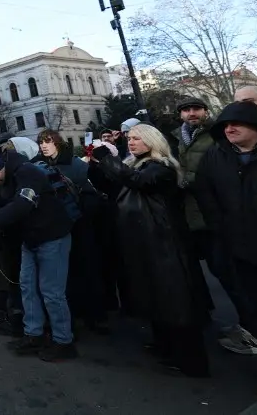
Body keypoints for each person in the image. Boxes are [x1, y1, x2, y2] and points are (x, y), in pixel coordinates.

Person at [193, 102, 257, 398]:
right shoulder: (215, 157)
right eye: (225, 125)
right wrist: (224, 229)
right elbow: (205, 194)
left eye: (237, 123)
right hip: (248, 254)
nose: (229, 128)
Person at [92, 123, 209, 378]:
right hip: (145, 243)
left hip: (164, 244)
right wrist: (99, 165)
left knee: (176, 303)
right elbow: (116, 184)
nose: (131, 143)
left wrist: (106, 159)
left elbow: (138, 182)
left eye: (136, 139)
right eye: (130, 139)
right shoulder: (136, 164)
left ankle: (191, 360)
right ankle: (165, 346)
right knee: (157, 299)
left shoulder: (161, 167)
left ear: (151, 141)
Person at [0, 150, 77, 361]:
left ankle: (64, 341)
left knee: (52, 292)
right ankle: (33, 334)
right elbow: (1, 205)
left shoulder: (27, 172)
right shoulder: (7, 180)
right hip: (30, 239)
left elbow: (21, 204)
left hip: (52, 236)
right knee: (27, 287)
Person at [36, 129, 109, 335]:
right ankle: (75, 314)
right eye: (41, 142)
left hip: (80, 225)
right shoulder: (39, 164)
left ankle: (95, 315)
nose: (44, 145)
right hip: (57, 228)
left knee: (87, 269)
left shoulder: (75, 164)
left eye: (48, 141)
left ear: (57, 143)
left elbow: (90, 192)